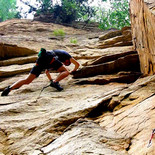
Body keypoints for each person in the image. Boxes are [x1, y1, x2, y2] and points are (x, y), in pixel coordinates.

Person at [1, 48, 80, 96]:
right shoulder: (66, 55)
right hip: (49, 59)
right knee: (66, 71)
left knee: (27, 80)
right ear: (67, 60)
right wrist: (73, 71)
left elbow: (47, 72)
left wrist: (51, 81)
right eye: (66, 63)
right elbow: (77, 64)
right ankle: (56, 83)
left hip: (40, 61)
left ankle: (9, 89)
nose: (64, 64)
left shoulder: (56, 57)